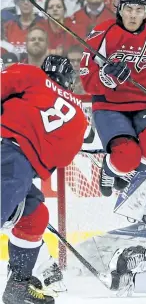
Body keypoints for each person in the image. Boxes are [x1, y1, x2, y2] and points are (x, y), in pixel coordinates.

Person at [79, 0, 146, 198]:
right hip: (109, 105)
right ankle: (110, 168)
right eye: (128, 9)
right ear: (119, 10)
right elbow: (87, 78)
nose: (133, 14)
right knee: (126, 156)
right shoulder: (103, 33)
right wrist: (107, 75)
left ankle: (127, 172)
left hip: (145, 104)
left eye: (139, 9)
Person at [1, 55, 88, 304]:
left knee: (34, 215)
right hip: (17, 160)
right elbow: (61, 158)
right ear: (70, 81)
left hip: (11, 156)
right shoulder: (80, 116)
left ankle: (18, 285)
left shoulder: (33, 75)